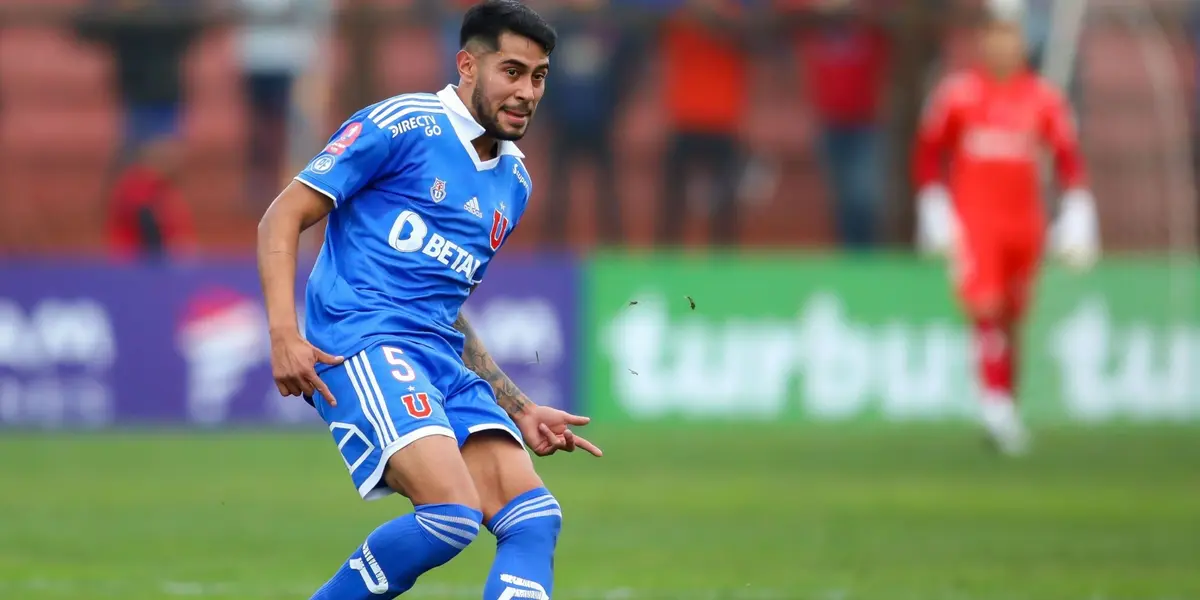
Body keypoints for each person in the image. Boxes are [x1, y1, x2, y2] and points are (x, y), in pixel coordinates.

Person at [256, 3, 601, 599]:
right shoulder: (404, 124)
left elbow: (445, 304)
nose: (526, 92)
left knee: (533, 518)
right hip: (361, 340)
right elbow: (281, 216)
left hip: (437, 354)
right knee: (451, 514)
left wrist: (517, 406)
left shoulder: (514, 183)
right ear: (467, 65)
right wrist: (285, 334)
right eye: (511, 71)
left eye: (538, 76)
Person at [912, 0, 1099, 456]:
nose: (1002, 45)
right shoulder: (957, 95)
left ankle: (1003, 405)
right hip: (977, 222)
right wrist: (934, 208)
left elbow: (1069, 161)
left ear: (1021, 42)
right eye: (994, 35)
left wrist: (1077, 214)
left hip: (1024, 222)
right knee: (987, 309)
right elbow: (927, 154)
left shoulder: (1043, 99)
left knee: (1012, 317)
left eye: (1010, 35)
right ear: (982, 41)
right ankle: (996, 411)